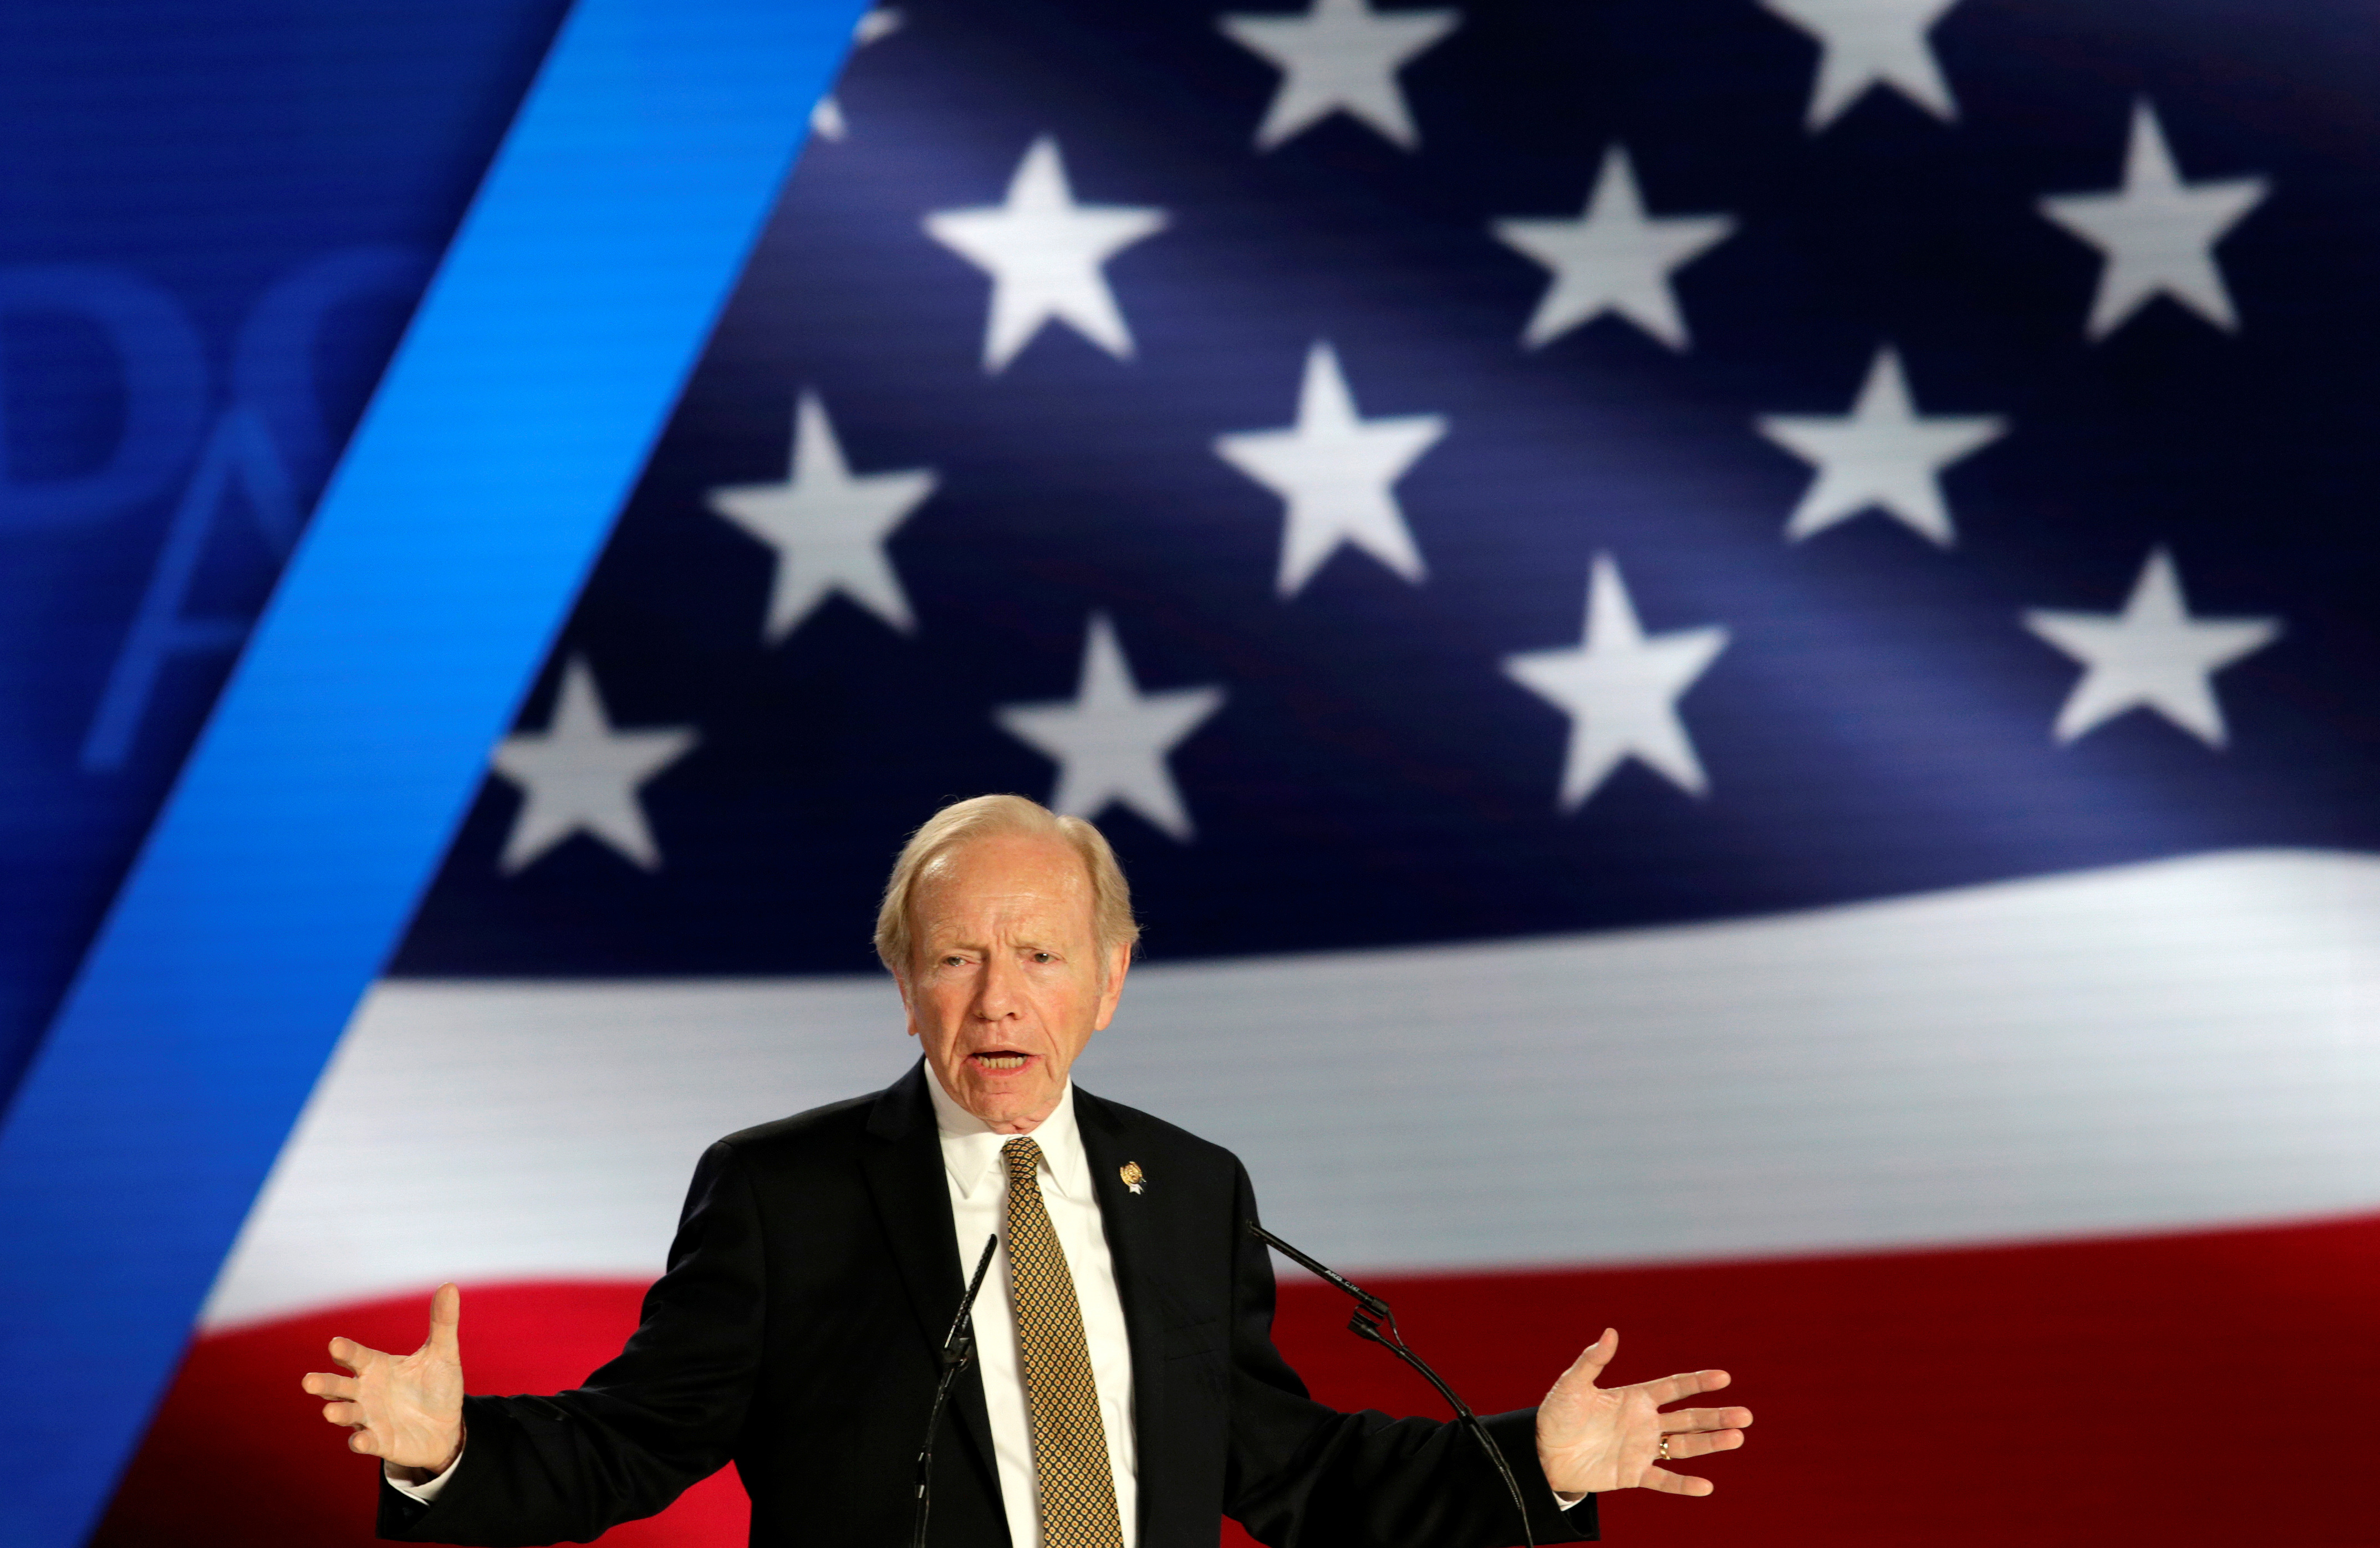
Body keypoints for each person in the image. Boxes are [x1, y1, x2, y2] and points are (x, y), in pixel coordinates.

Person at [305, 795, 1752, 1547]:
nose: (999, 1000)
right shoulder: (783, 1196)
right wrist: (451, 1451)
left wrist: (1537, 1464)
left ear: (1111, 979)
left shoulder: (1188, 1191)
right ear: (904, 980)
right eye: (957, 957)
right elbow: (633, 1441)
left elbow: (1294, 1472)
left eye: (1042, 955)